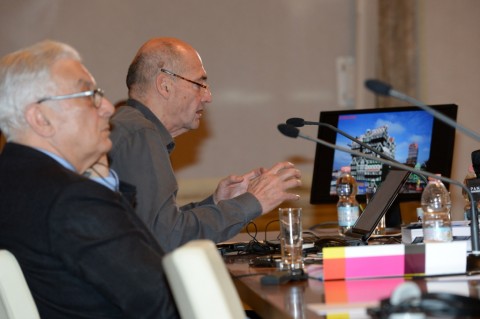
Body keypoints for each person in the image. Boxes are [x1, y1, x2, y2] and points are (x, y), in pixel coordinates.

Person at [0, 40, 179, 318]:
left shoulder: (14, 182)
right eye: (88, 94)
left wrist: (102, 181)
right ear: (41, 119)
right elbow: (166, 302)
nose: (107, 107)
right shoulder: (72, 200)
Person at [109, 37, 301, 252]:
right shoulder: (140, 134)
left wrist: (217, 203)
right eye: (199, 84)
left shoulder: (132, 127)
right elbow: (167, 237)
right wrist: (252, 201)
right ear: (165, 85)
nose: (208, 96)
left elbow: (158, 225)